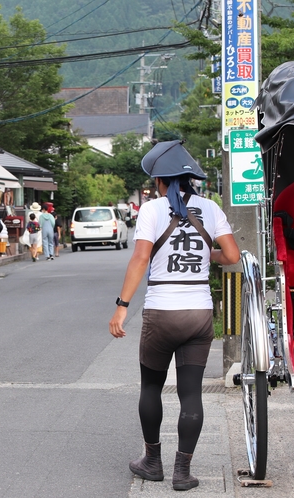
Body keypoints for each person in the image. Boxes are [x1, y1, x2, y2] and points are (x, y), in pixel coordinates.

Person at [108, 140, 240, 491]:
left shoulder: (151, 210)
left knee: (151, 386)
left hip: (162, 313)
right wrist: (204, 257)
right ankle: (183, 472)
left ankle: (152, 462)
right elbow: (231, 256)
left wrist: (122, 305)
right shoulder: (210, 208)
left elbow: (140, 259)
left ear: (161, 182)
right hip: (199, 314)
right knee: (191, 394)